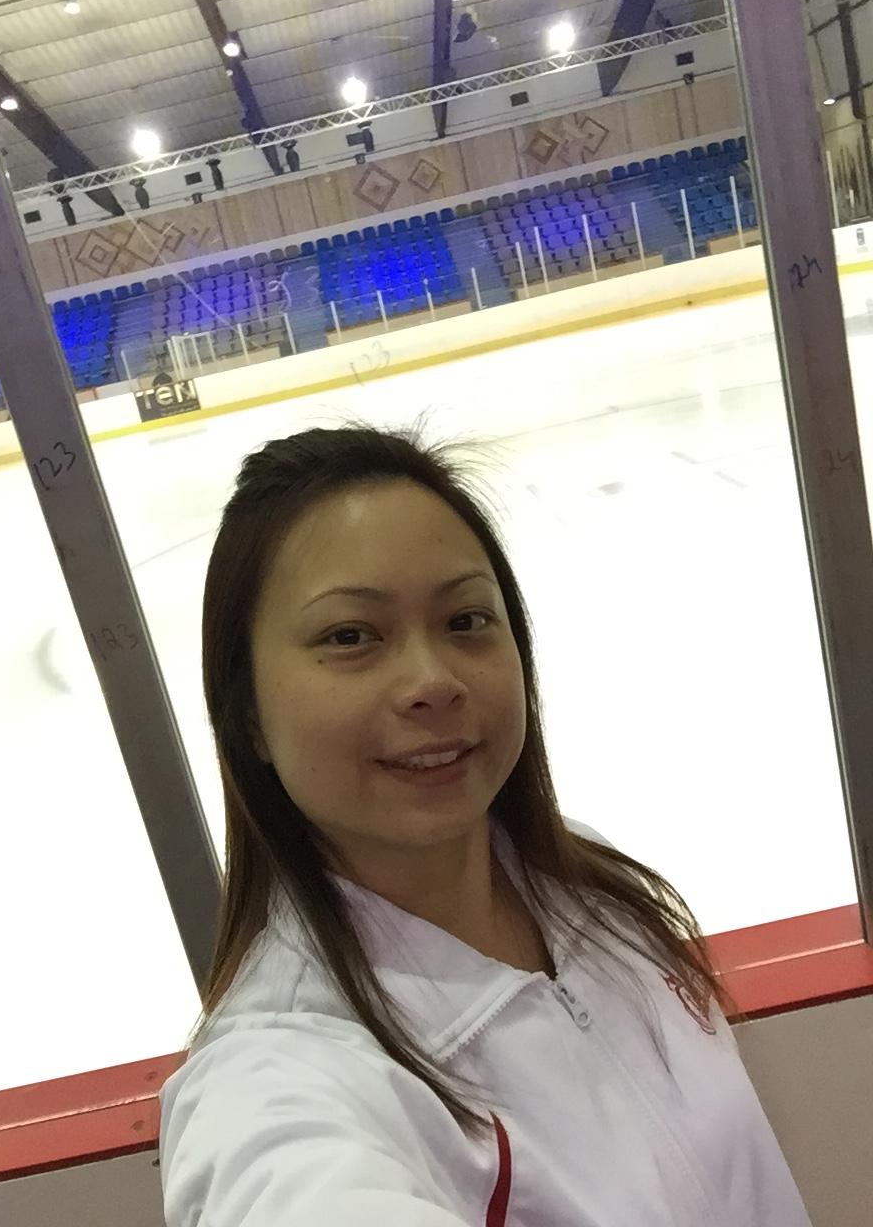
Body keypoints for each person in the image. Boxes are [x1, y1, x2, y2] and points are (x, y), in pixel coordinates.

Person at [158, 415, 813, 1227]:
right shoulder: (280, 1075)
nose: (433, 681)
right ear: (248, 715)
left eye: (465, 620)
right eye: (350, 636)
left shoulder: (591, 883)